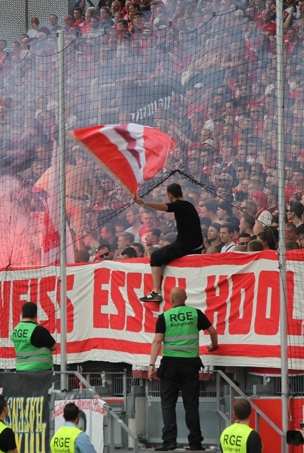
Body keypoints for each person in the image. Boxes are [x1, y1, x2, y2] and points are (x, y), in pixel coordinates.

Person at [148, 287, 218, 451]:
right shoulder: (195, 313)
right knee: (191, 404)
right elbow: (212, 331)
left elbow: (157, 341)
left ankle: (169, 441)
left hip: (170, 366)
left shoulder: (164, 317)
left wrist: (151, 365)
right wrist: (213, 346)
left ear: (171, 300)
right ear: (185, 298)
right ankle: (195, 443)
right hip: (190, 365)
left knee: (168, 404)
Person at [136, 184, 203, 302]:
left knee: (156, 257)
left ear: (170, 196)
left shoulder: (179, 206)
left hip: (185, 247)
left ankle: (156, 292)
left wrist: (144, 203)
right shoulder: (189, 205)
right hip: (196, 245)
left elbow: (164, 207)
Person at [10, 302, 56, 371]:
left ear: (22, 313)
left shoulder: (15, 330)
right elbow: (54, 347)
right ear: (35, 314)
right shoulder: (39, 330)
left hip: (21, 369)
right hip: (40, 370)